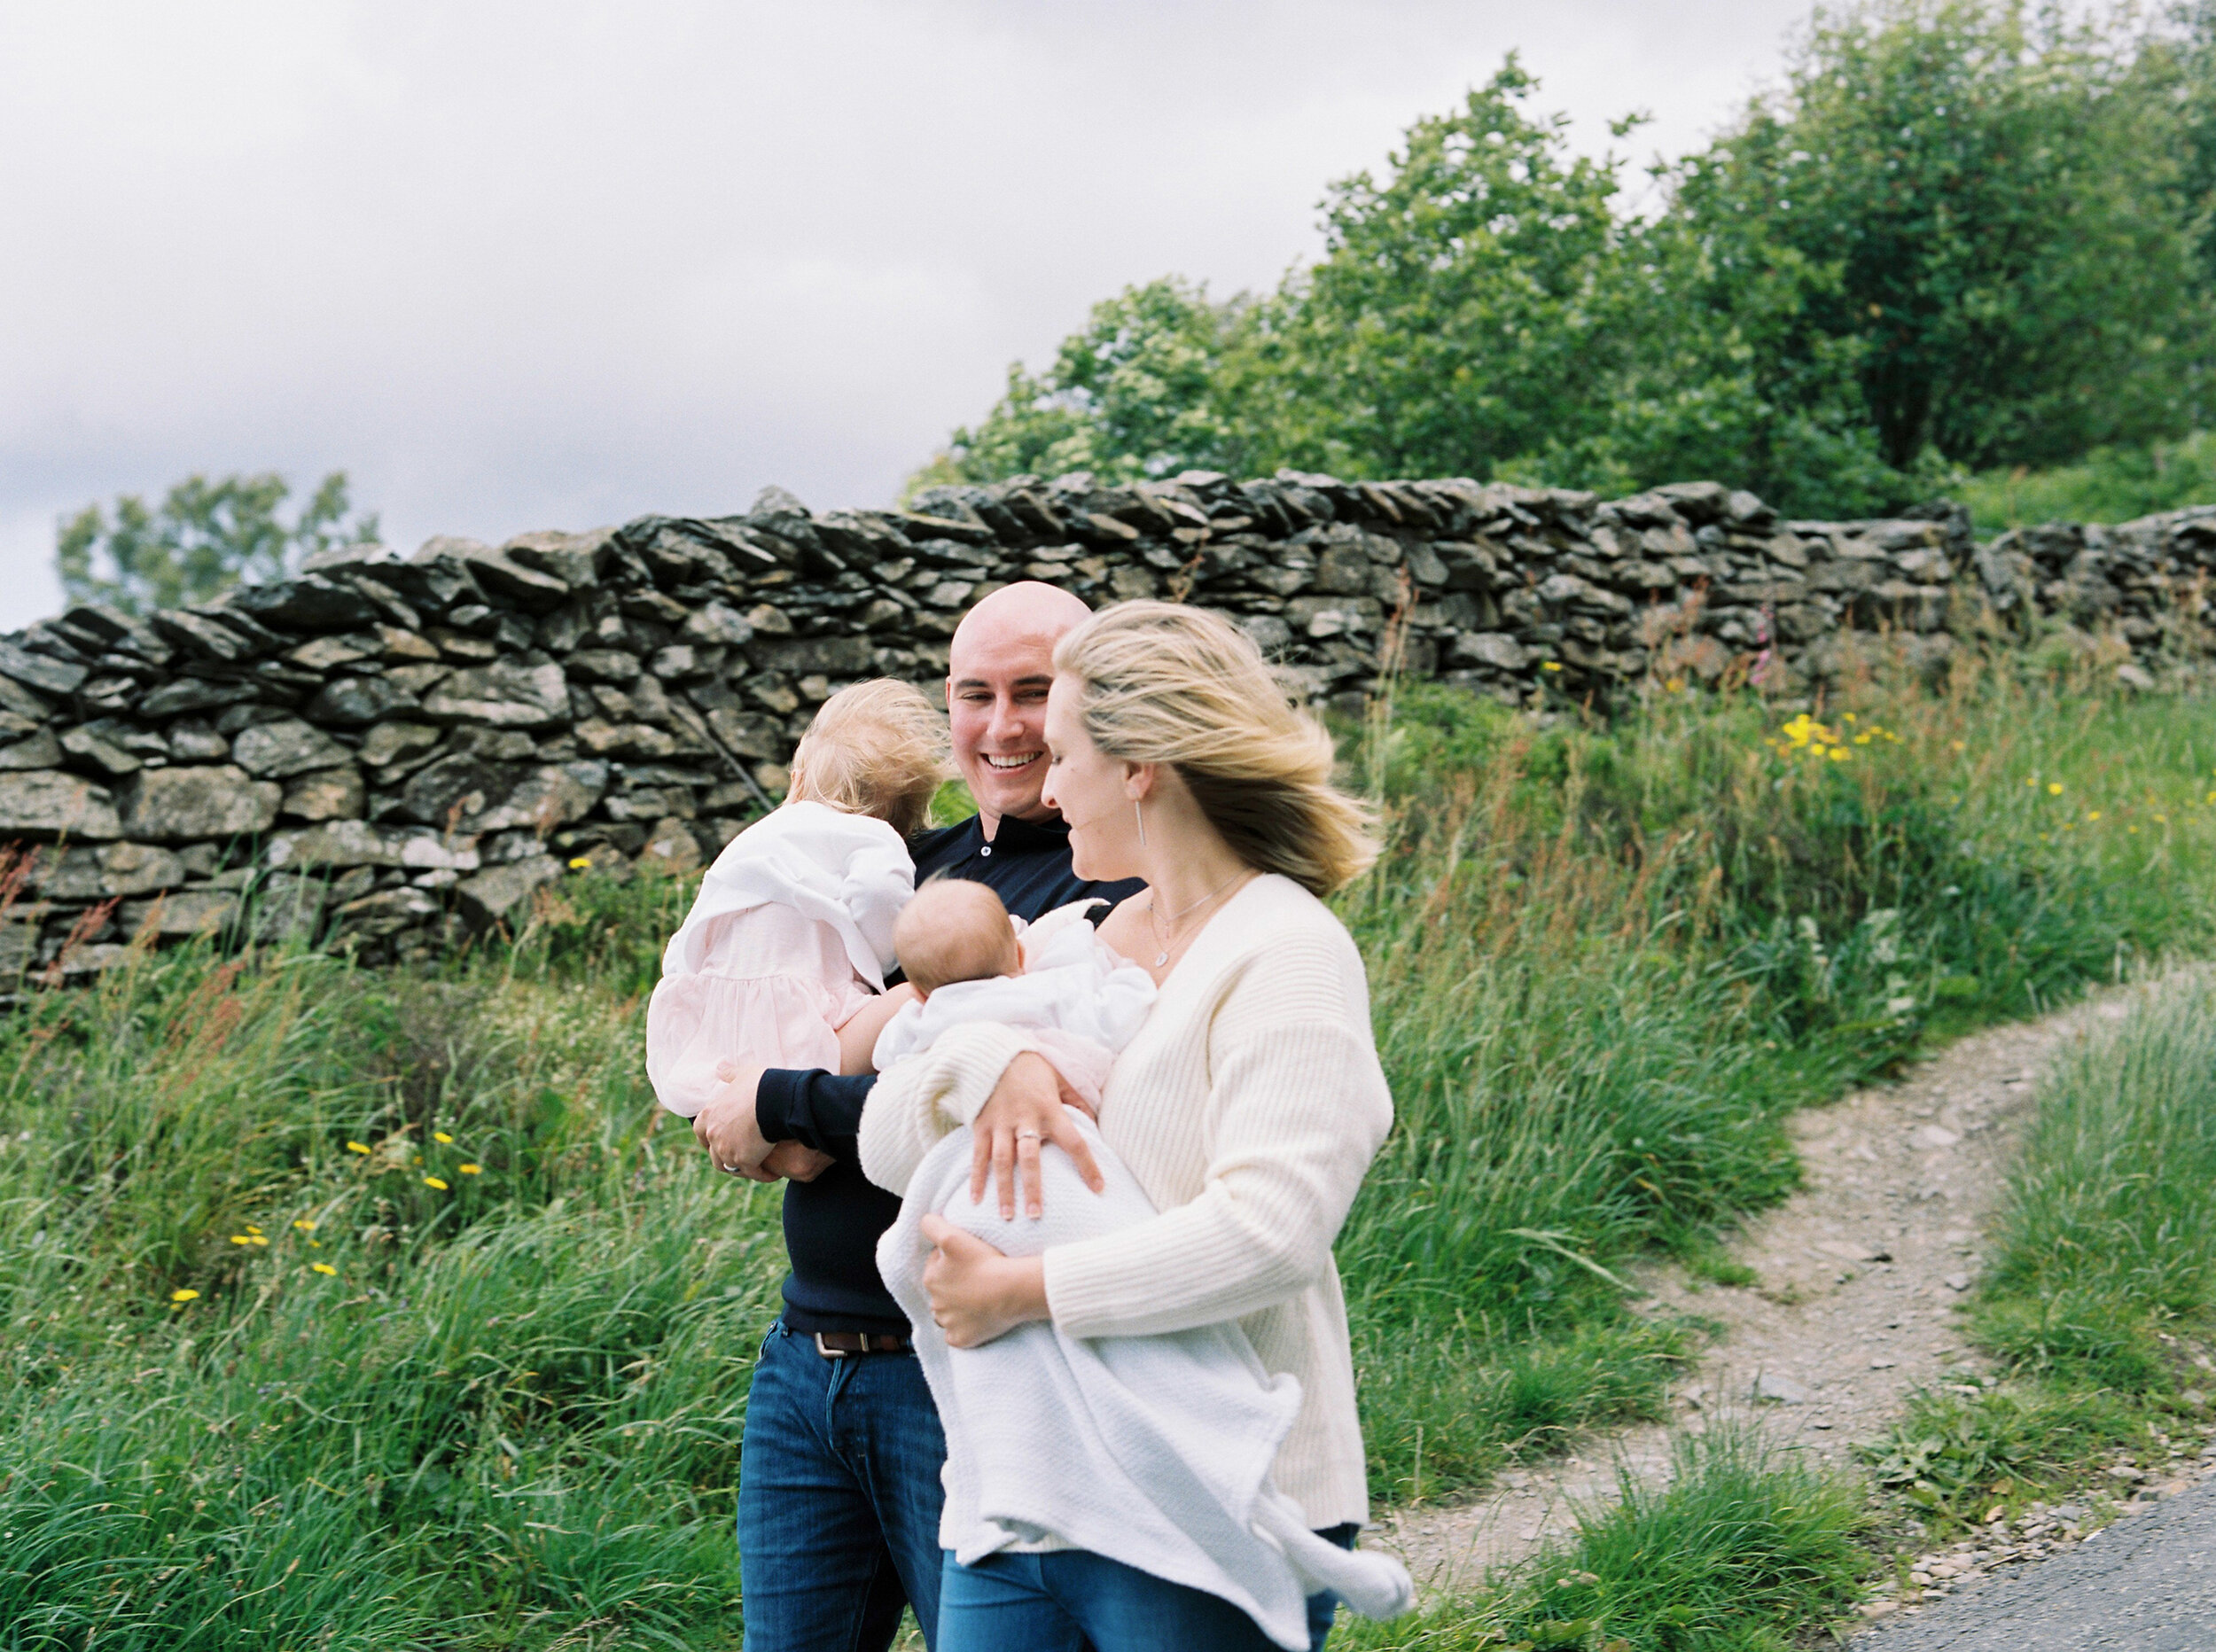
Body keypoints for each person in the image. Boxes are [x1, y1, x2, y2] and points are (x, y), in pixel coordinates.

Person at [855, 600, 1397, 1652]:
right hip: (1024, 1490)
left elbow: (1269, 1233)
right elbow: (885, 1140)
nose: (1046, 789)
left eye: (1062, 755)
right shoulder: (1068, 940)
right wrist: (988, 1062)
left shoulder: (1286, 953)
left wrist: (1023, 1291)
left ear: (1139, 764)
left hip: (1211, 1495)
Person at [689, 582, 1143, 1652]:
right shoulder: (893, 871)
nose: (1002, 726)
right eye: (973, 694)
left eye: (1033, 692)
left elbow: (1026, 1107)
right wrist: (756, 1098)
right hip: (804, 1363)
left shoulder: (1105, 885)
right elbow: (777, 1032)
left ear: (1085, 700)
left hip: (965, 1370)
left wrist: (784, 1102)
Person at [644, 678, 947, 1115]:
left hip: (723, 1014)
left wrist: (686, 980)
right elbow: (877, 892)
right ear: (903, 821)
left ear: (797, 780)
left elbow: (704, 915)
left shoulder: (754, 836)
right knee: (897, 1014)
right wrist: (884, 955)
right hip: (807, 1016)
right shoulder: (875, 836)